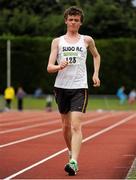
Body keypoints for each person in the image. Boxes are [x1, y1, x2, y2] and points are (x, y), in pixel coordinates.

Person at [47, 6, 100, 176]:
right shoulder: (57, 41)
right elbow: (49, 67)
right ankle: (71, 152)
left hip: (79, 87)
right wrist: (58, 66)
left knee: (76, 125)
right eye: (70, 19)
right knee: (65, 126)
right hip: (61, 87)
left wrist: (96, 73)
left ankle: (74, 162)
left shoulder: (86, 40)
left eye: (76, 20)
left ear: (80, 22)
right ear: (66, 21)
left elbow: (96, 55)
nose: (73, 22)